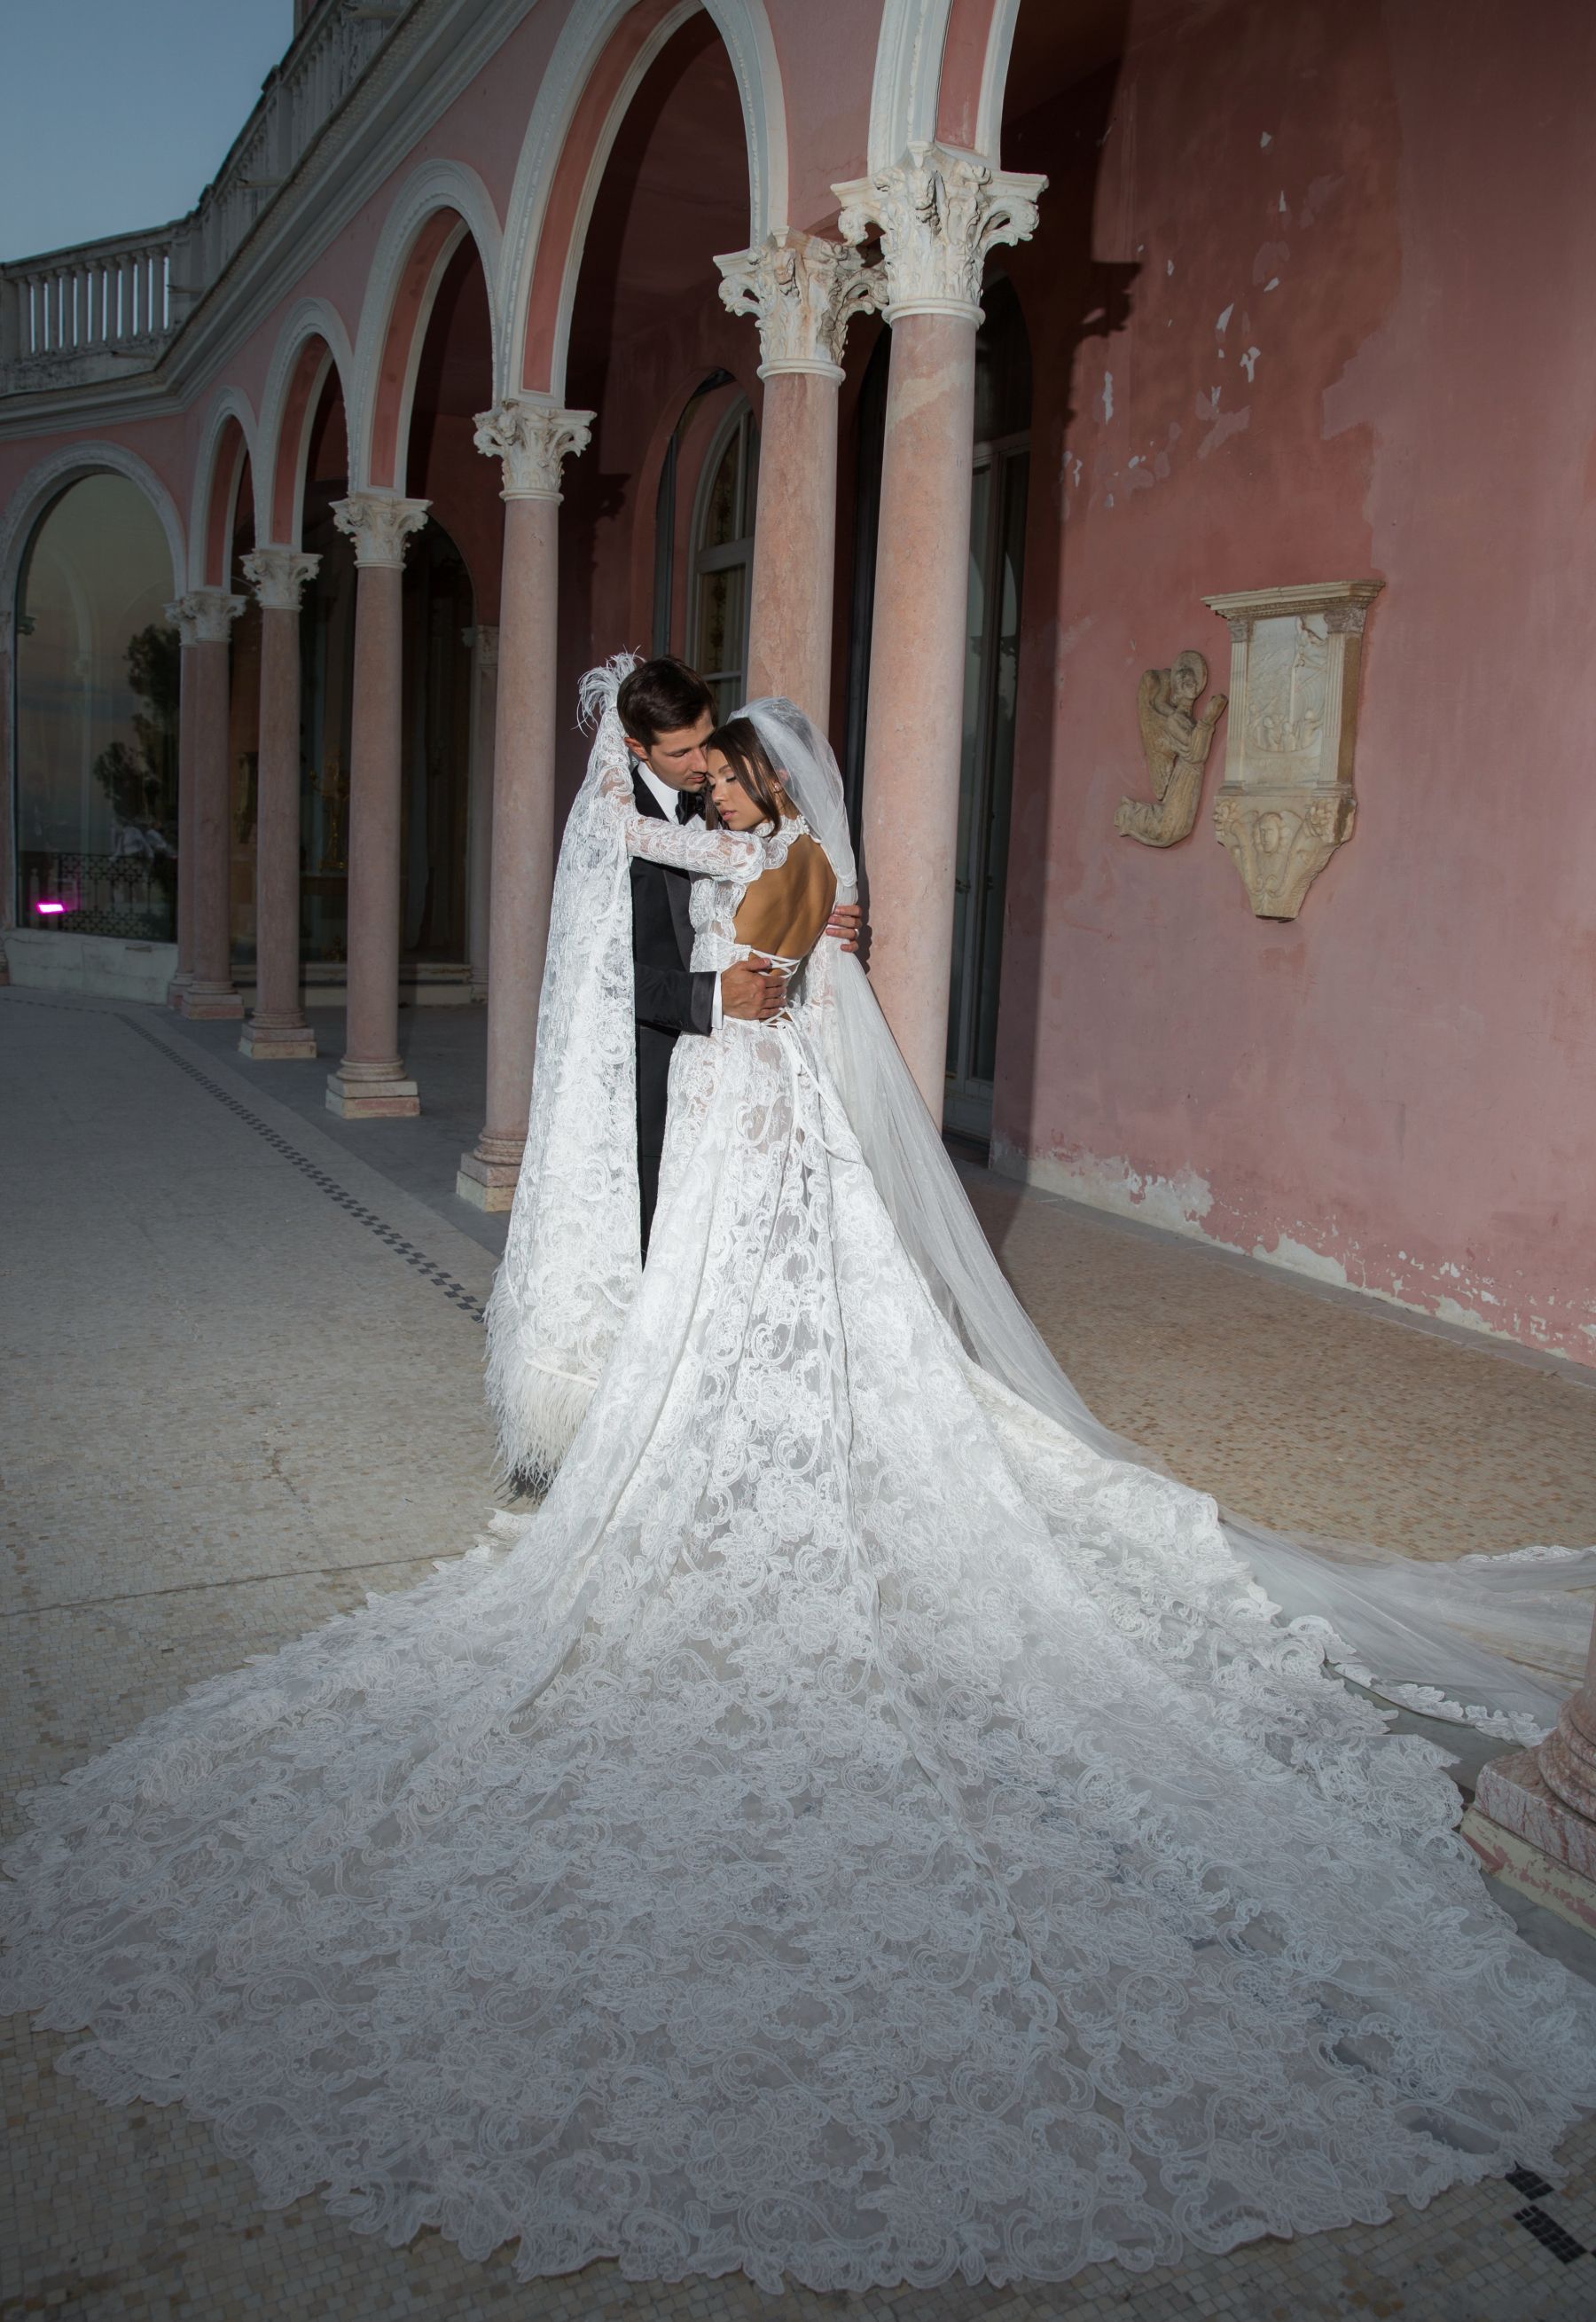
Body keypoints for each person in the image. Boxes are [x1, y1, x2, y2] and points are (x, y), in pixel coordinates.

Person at [3, 664, 1593, 2300]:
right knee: (754, 1296)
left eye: (721, 764)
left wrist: (717, 907)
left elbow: (725, 939)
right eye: (693, 761)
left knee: (754, 1293)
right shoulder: (772, 844)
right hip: (748, 1098)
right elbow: (711, 894)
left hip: (744, 1097)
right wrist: (721, 874)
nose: (708, 780)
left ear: (757, 773)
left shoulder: (767, 848)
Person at [612, 655, 858, 1249]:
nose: (705, 771)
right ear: (637, 748)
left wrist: (828, 933)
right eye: (683, 754)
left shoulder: (738, 837)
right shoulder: (827, 858)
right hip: (692, 1053)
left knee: (724, 1227)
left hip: (729, 1057)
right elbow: (595, 975)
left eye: (712, 751)